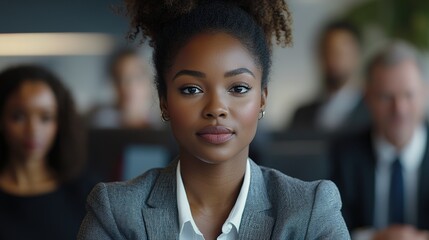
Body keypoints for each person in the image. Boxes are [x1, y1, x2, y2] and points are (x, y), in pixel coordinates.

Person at [78, 1, 349, 239]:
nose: (216, 108)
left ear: (263, 99)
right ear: (163, 100)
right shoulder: (116, 213)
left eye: (238, 88)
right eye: (191, 89)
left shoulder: (310, 211)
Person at [330, 41, 429, 240]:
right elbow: (329, 228)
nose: (399, 109)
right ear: (367, 97)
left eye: (408, 95)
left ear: (426, 93)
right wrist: (375, 238)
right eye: (386, 97)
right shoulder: (345, 153)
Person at [0, 65, 94, 240]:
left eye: (45, 118)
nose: (33, 130)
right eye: (18, 116)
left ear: (60, 123)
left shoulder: (89, 194)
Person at [289, 20, 369, 133]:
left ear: (357, 55)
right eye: (327, 51)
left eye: (340, 53)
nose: (332, 59)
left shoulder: (372, 113)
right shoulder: (302, 114)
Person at [86, 48, 156, 129]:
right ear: (113, 85)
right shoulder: (99, 123)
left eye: (137, 77)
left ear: (148, 82)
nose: (129, 86)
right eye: (121, 79)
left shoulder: (163, 124)